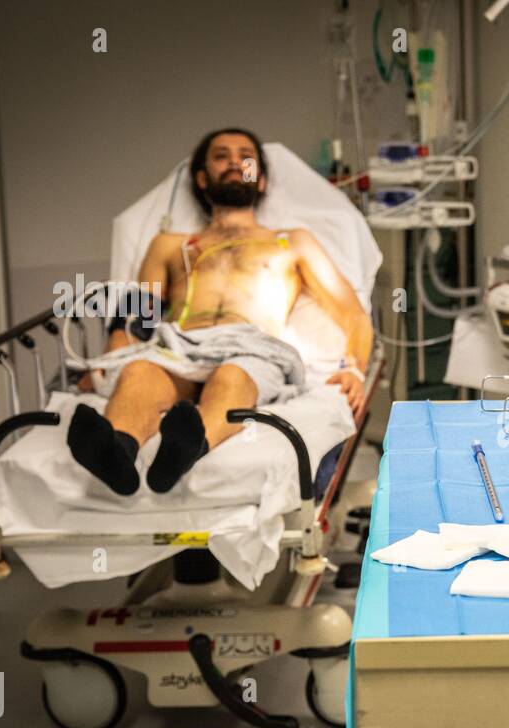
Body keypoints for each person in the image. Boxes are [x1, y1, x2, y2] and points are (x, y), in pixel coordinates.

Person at [69, 127, 373, 495]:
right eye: (220, 156)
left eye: (245, 156)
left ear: (259, 180)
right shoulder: (170, 244)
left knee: (233, 377)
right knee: (138, 373)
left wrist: (353, 368)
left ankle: (188, 448)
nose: (233, 162)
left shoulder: (291, 241)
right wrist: (114, 353)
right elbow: (139, 313)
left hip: (252, 346)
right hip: (178, 342)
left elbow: (353, 314)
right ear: (201, 177)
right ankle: (117, 451)